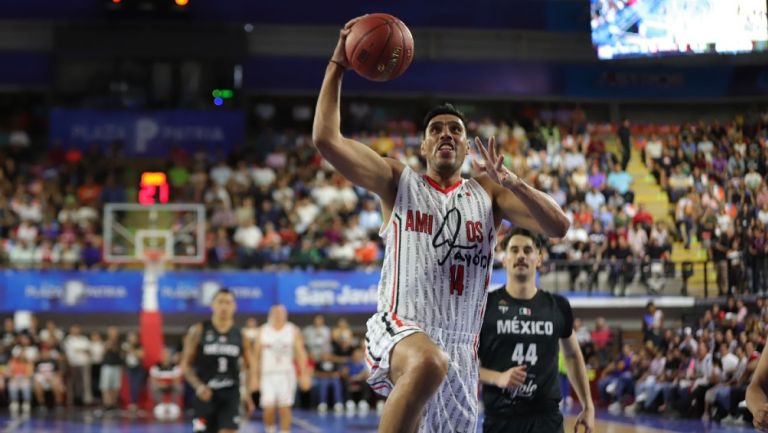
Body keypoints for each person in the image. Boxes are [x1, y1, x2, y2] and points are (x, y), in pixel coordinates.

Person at [312, 17, 569, 433]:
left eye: (456, 130)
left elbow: (558, 227)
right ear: (424, 145)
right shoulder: (398, 181)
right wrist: (338, 65)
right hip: (399, 328)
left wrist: (515, 183)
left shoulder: (489, 194)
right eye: (436, 130)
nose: (446, 134)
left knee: (438, 365)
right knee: (429, 361)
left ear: (467, 146)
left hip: (461, 352)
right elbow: (326, 139)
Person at [478, 229, 594, 433]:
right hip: (501, 420)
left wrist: (588, 405)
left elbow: (573, 355)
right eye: (514, 250)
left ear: (539, 259)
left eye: (527, 250)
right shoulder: (484, 306)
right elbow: (464, 364)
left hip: (546, 421)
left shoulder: (558, 306)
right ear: (504, 259)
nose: (521, 255)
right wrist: (498, 378)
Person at [180, 288, 257, 433]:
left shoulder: (240, 335)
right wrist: (199, 386)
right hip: (205, 394)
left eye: (228, 302)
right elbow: (185, 365)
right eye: (220, 302)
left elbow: (250, 366)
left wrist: (247, 393)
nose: (224, 306)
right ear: (212, 305)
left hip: (231, 394)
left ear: (234, 306)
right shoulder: (198, 330)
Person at [253, 305, 311, 433]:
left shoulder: (292, 330)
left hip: (286, 374)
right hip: (267, 374)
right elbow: (255, 357)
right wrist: (254, 377)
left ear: (286, 315)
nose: (278, 315)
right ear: (270, 314)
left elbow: (301, 354)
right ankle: (270, 430)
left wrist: (304, 375)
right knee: (268, 408)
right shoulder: (262, 331)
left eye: (281, 312)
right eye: (275, 312)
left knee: (285, 408)